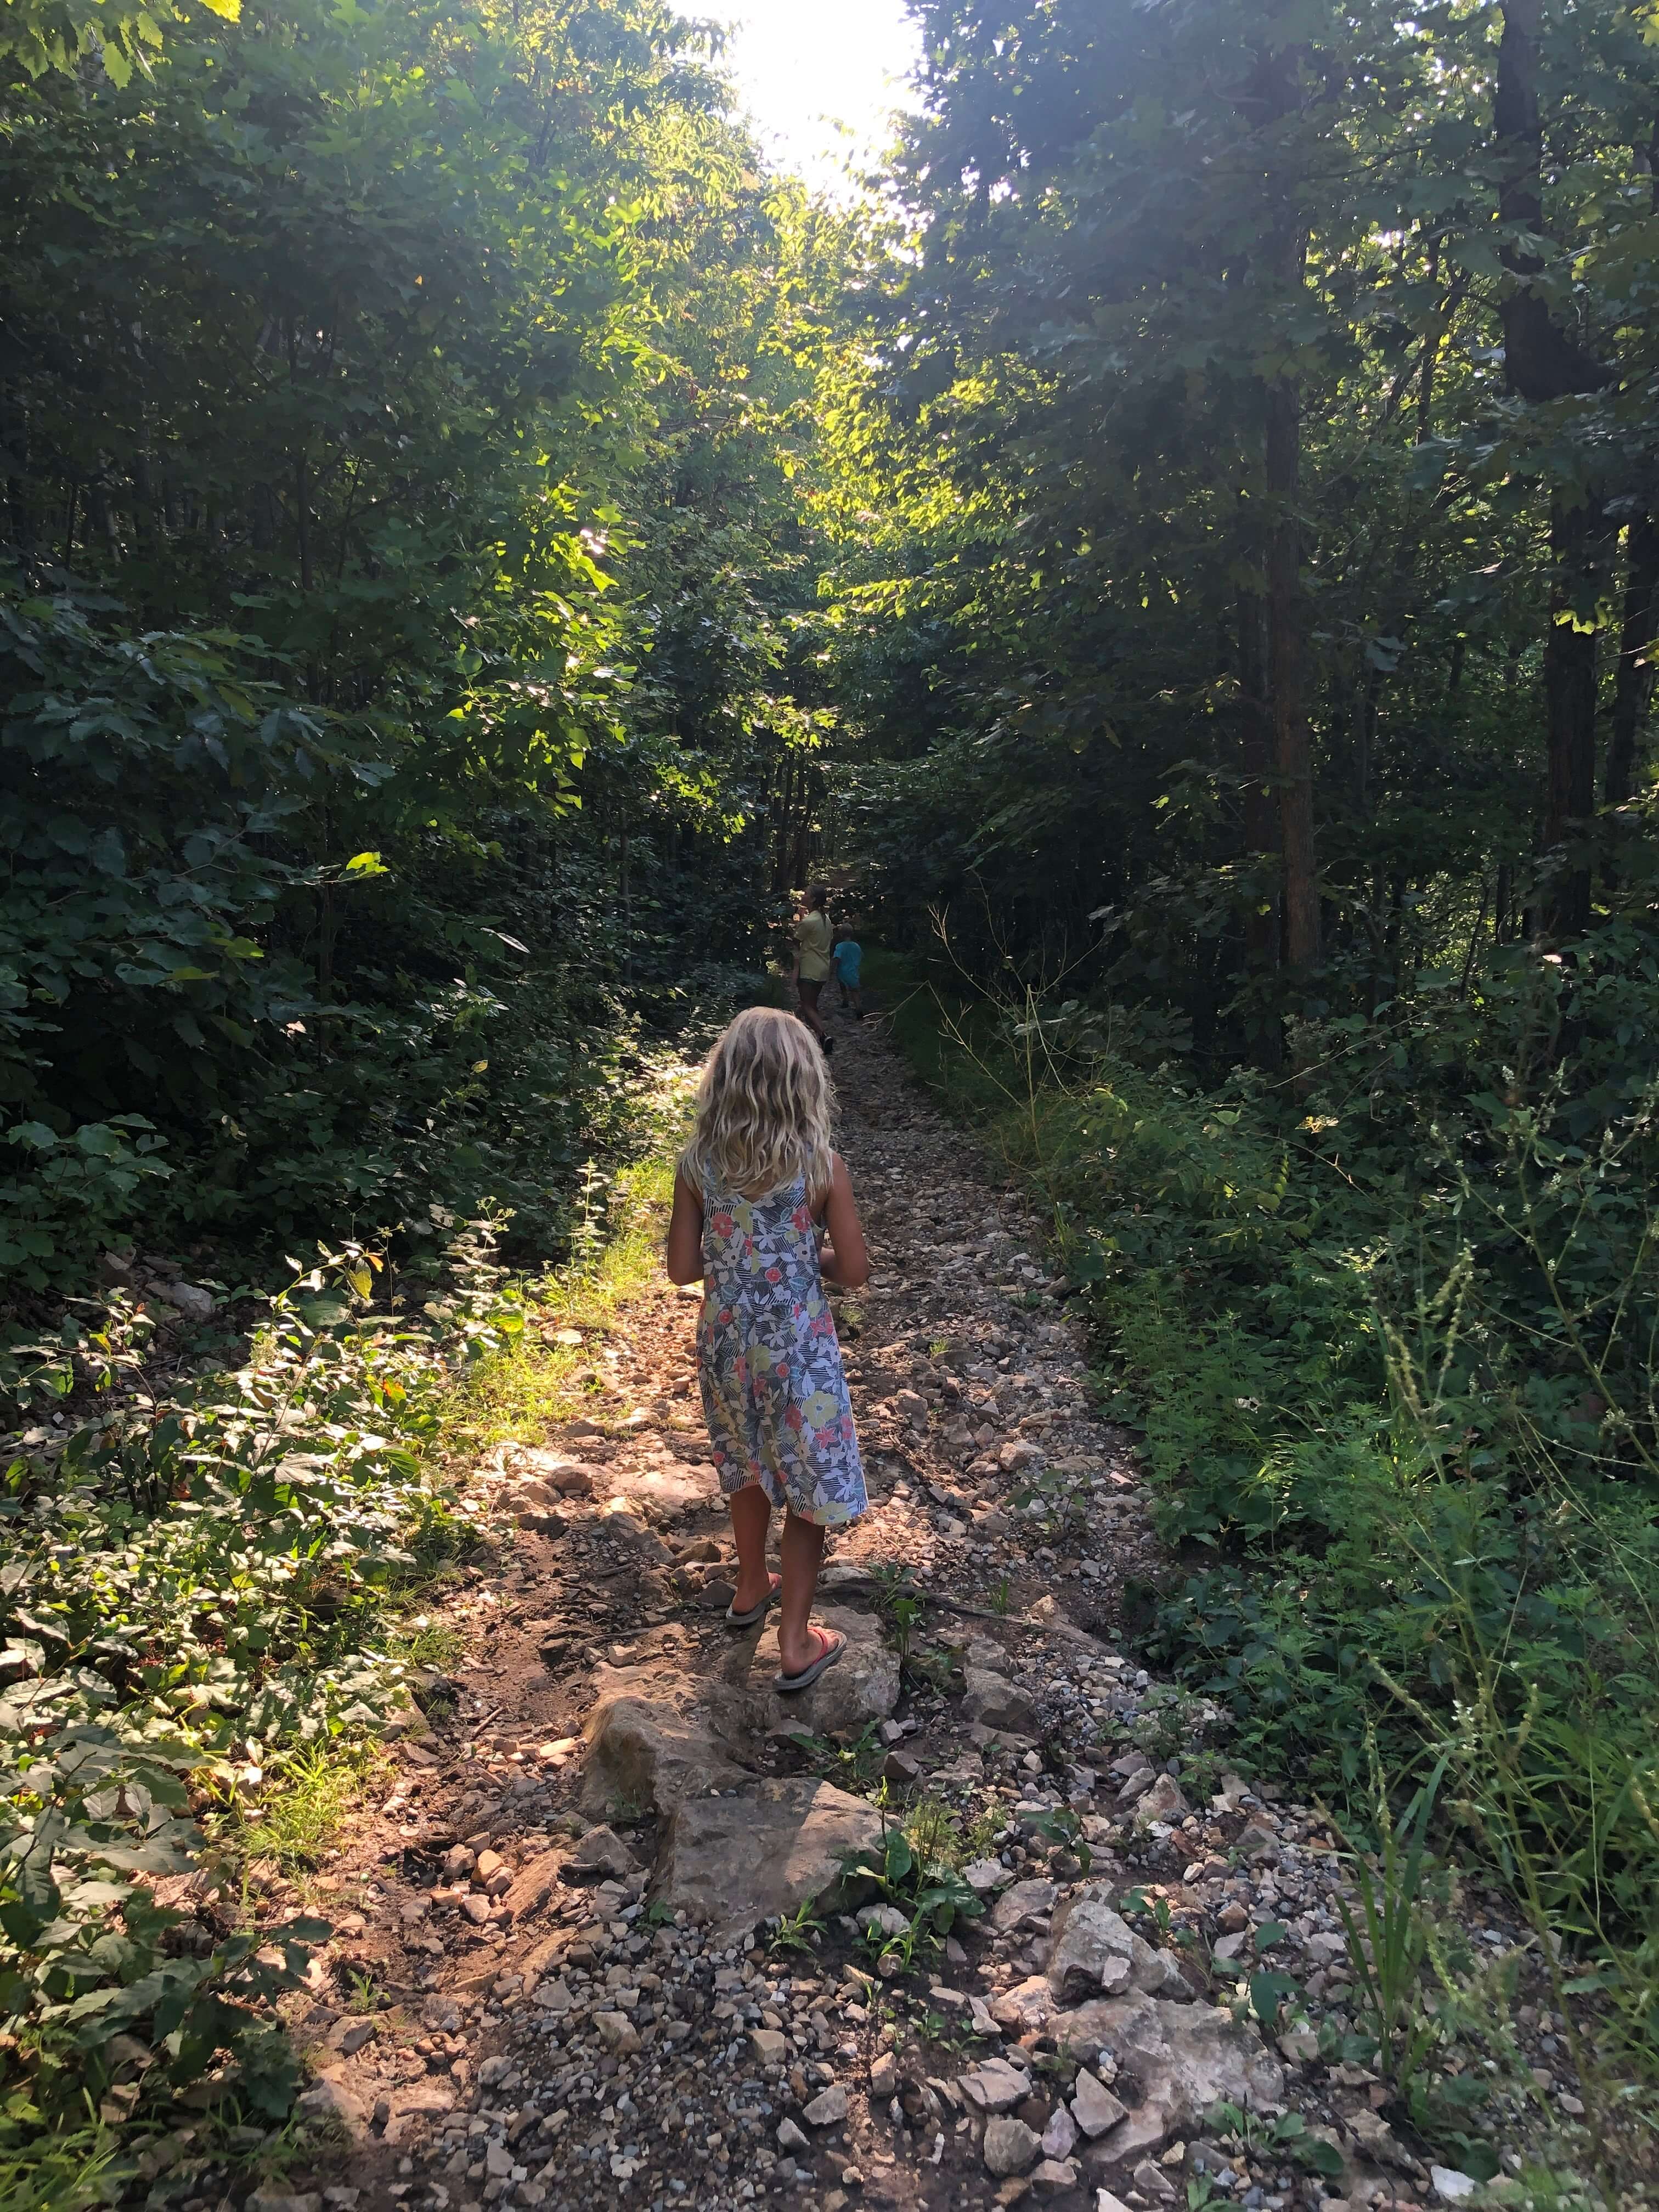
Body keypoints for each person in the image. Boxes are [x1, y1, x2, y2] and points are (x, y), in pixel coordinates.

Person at [665, 1007, 870, 1691]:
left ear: (724, 1080)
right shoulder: (821, 1166)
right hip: (799, 1351)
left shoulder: (698, 1166)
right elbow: (857, 1270)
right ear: (802, 1081)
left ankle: (751, 1584)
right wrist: (808, 1261)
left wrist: (736, 1259)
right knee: (807, 1485)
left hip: (725, 1345)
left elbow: (681, 1269)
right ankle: (796, 1639)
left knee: (745, 1458)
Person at [791, 882, 834, 1054]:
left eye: (806, 893)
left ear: (813, 899)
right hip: (823, 966)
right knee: (810, 1005)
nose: (803, 895)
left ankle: (824, 1036)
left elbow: (796, 940)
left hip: (810, 967)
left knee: (807, 1005)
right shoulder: (826, 920)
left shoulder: (810, 921)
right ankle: (802, 1037)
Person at [830, 926, 864, 1018]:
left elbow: (836, 958)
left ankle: (846, 1001)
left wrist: (831, 970)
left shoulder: (840, 946)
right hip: (854, 971)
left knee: (843, 986)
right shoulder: (856, 946)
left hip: (843, 972)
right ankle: (858, 1008)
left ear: (841, 935)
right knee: (855, 991)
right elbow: (861, 956)